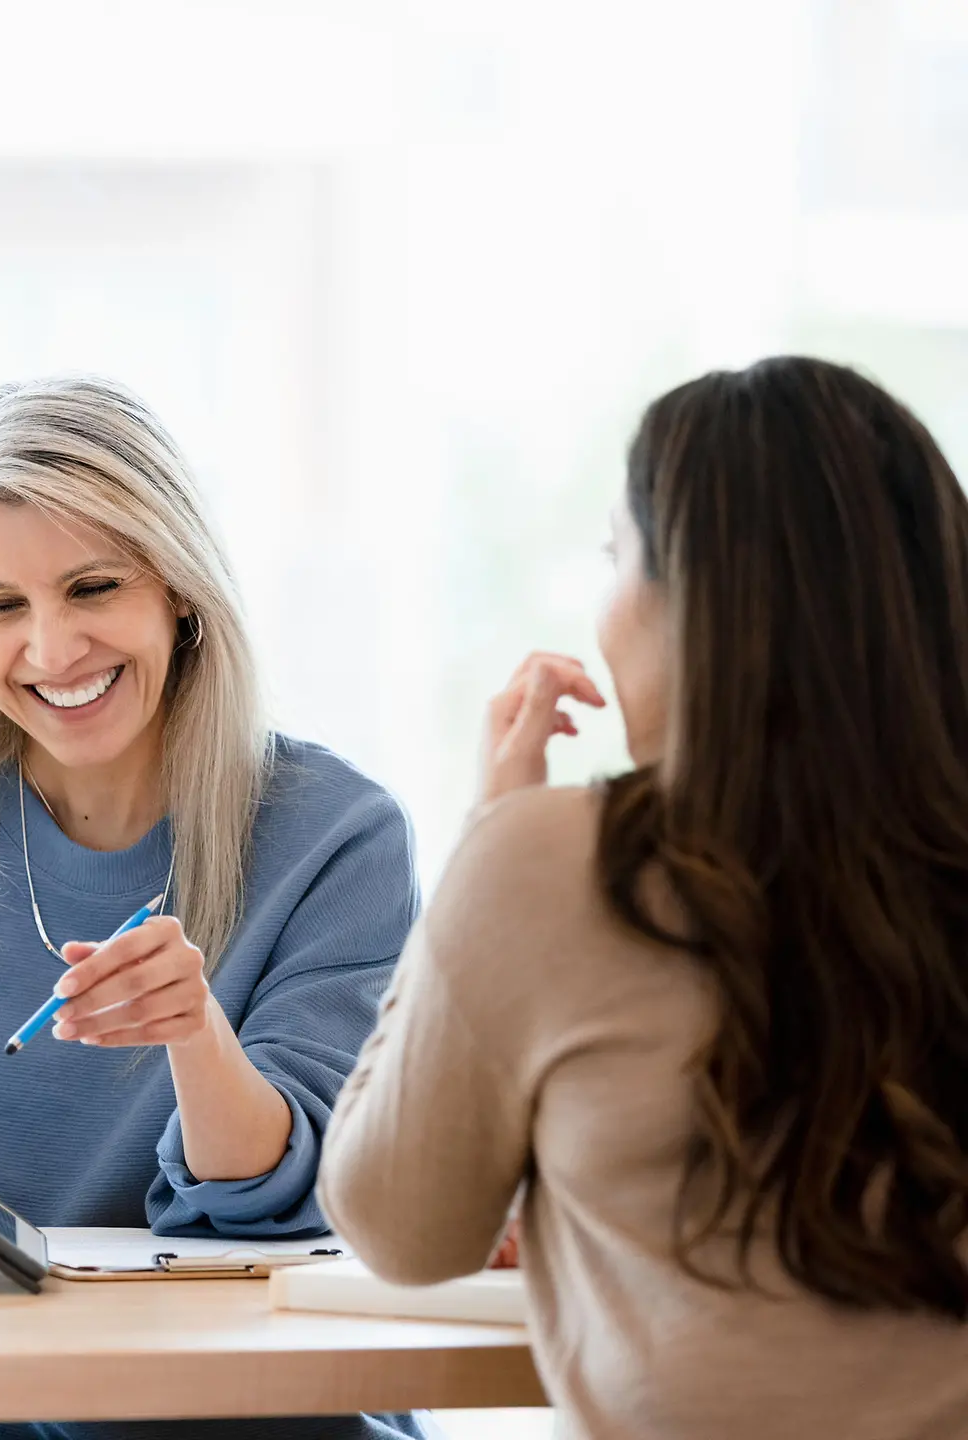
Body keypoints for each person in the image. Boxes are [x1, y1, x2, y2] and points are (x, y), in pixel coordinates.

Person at [0, 376, 425, 1440]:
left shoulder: (336, 834)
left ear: (179, 590)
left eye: (94, 588)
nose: (53, 653)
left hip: (261, 1425)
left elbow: (295, 1200)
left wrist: (196, 1034)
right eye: (0, 607)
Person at [319, 356, 968, 1439]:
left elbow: (401, 1228)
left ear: (697, 603)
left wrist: (488, 842)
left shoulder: (549, 864)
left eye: (617, 555)